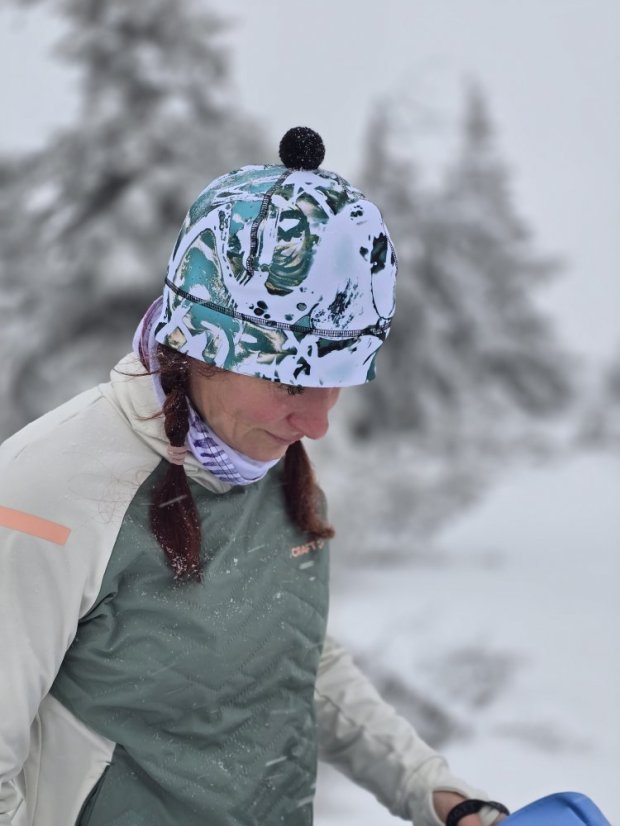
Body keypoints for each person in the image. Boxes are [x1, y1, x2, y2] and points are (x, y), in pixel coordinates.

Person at [0, 127, 509, 826]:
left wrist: (435, 792)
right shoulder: (46, 491)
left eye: (338, 379)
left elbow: (296, 662)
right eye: (293, 381)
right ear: (199, 350)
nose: (319, 424)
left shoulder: (264, 459)